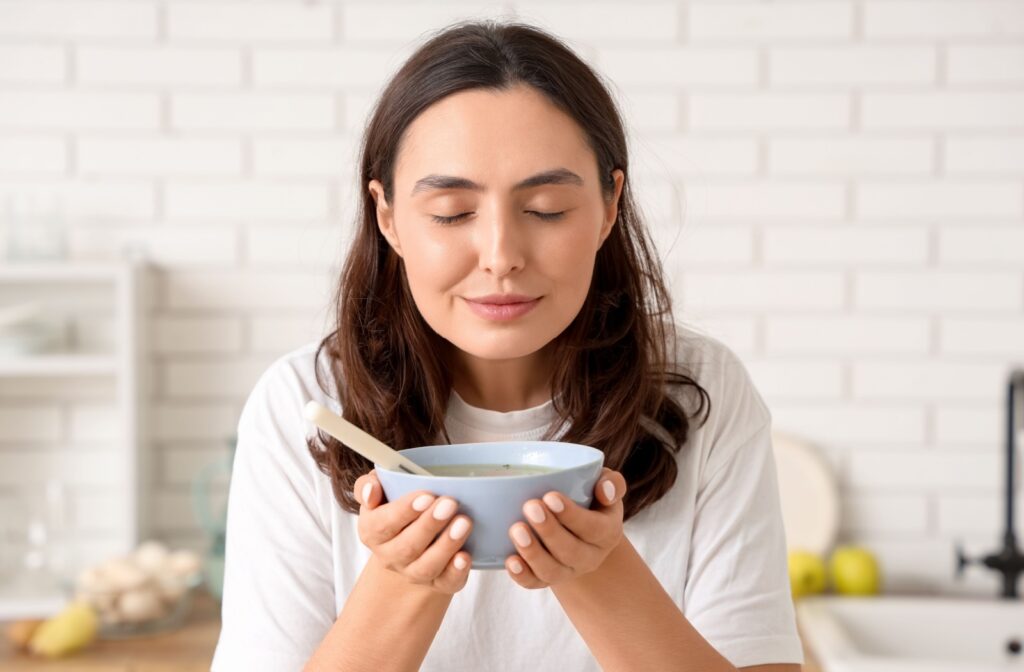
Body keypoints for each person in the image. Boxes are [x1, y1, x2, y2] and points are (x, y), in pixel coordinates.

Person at [210, 19, 804, 672]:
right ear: (388, 217)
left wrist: (596, 569)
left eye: (546, 208)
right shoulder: (304, 403)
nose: (500, 257)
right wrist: (403, 583)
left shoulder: (702, 392)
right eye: (452, 213)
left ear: (610, 206)